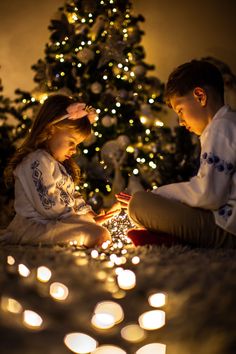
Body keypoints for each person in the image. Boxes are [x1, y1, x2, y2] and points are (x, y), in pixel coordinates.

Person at [117, 59, 236, 248]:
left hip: (227, 229)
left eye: (180, 110)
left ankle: (167, 238)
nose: (180, 121)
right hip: (225, 221)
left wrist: (158, 194)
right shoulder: (228, 123)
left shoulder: (219, 128)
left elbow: (208, 195)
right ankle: (165, 236)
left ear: (200, 96)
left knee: (139, 203)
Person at [1, 94, 120, 247]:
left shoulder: (57, 165)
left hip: (55, 223)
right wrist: (84, 221)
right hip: (34, 228)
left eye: (77, 144)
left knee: (99, 231)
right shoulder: (36, 161)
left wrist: (91, 215)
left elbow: (72, 197)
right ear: (50, 130)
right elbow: (49, 206)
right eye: (72, 142)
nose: (74, 150)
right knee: (98, 234)